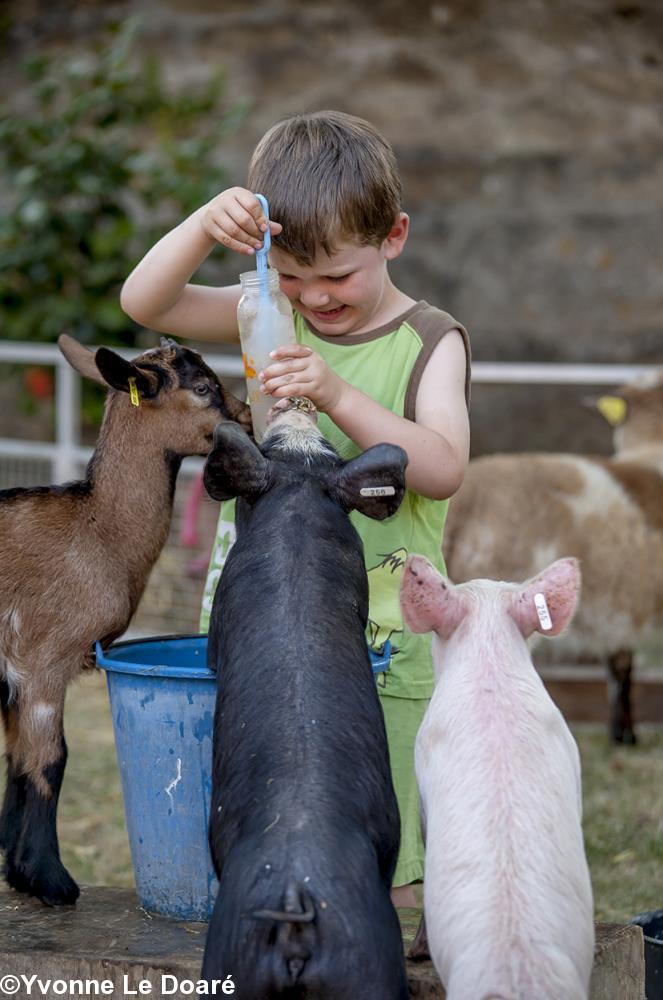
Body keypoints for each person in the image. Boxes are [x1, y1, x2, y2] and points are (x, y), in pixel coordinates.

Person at [121, 110, 471, 909]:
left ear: (394, 236)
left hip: (382, 636)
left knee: (385, 857)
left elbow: (444, 468)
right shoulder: (264, 314)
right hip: (265, 625)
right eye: (292, 275)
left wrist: (337, 392)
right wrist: (204, 223)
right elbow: (147, 300)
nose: (316, 298)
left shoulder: (428, 340)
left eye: (338, 277)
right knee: (261, 823)